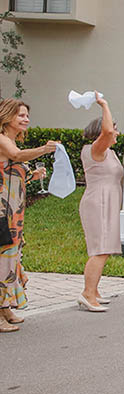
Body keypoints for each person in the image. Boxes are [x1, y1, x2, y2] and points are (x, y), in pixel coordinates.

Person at [0, 100, 57, 332]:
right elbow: (16, 155)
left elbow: (13, 173)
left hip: (14, 212)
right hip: (3, 211)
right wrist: (43, 150)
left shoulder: (10, 142)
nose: (26, 119)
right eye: (21, 115)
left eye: (27, 116)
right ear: (7, 116)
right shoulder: (3, 140)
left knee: (10, 256)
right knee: (3, 258)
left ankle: (5, 308)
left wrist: (33, 176)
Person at [77, 96, 122, 312]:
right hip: (99, 202)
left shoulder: (108, 152)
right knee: (100, 249)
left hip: (108, 202)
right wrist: (105, 104)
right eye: (114, 129)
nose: (116, 133)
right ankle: (87, 294)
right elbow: (106, 132)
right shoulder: (97, 149)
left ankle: (94, 290)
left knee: (103, 248)